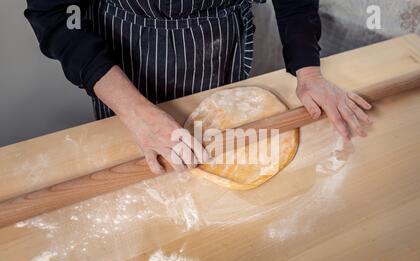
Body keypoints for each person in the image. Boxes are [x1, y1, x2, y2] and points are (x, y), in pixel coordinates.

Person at [25, 0, 372, 173]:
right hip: (127, 59)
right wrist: (135, 111)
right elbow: (56, 16)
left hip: (223, 39)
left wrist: (309, 73)